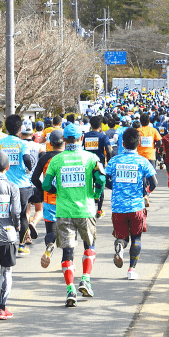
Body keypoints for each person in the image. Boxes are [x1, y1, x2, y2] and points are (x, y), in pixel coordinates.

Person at [42, 123, 106, 307]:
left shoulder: (56, 160)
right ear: (82, 138)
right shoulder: (91, 158)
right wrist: (95, 194)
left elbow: (46, 185)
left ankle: (70, 290)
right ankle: (85, 279)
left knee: (67, 252)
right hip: (85, 210)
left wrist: (58, 190)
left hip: (63, 211)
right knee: (89, 244)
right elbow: (101, 179)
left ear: (64, 140)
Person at [105, 128, 157, 280]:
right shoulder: (142, 161)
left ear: (122, 143)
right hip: (136, 207)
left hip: (118, 207)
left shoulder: (114, 160)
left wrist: (114, 187)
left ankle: (120, 246)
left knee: (122, 236)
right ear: (138, 143)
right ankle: (131, 270)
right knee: (136, 238)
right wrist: (145, 193)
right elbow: (154, 182)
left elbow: (105, 179)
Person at [0, 115, 34, 256]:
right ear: (20, 129)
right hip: (22, 184)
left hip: (2, 183)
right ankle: (21, 245)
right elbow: (26, 158)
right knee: (23, 215)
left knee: (3, 213)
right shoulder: (23, 143)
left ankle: (4, 241)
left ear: (6, 128)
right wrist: (29, 169)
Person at [0, 151, 21, 320]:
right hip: (6, 236)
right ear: (8, 167)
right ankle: (1, 309)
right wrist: (17, 227)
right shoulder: (12, 187)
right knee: (6, 271)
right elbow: (16, 213)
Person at [31, 129, 65, 268]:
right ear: (64, 142)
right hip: (66, 201)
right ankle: (66, 261)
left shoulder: (45, 158)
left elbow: (34, 178)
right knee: (68, 233)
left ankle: (50, 245)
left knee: (50, 232)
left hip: (49, 200)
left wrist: (42, 189)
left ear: (50, 143)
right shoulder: (68, 157)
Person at [82, 116, 113, 218]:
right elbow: (109, 149)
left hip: (87, 164)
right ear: (100, 126)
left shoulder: (85, 136)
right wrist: (108, 161)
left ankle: (87, 208)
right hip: (99, 165)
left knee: (88, 186)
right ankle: (99, 210)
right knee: (100, 187)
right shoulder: (103, 136)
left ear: (91, 125)